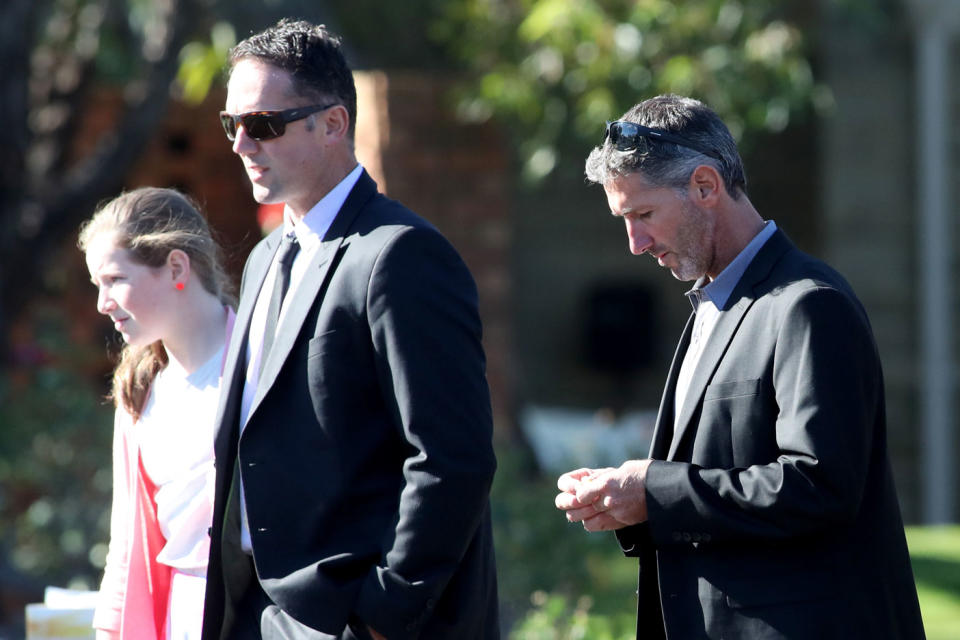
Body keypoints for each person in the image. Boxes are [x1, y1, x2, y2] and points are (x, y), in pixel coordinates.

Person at [554, 95, 926, 639]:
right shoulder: (714, 302)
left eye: (643, 215)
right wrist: (629, 501)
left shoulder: (808, 304)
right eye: (624, 220)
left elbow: (819, 488)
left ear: (706, 187)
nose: (634, 244)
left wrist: (654, 490)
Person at [202, 19, 498, 640]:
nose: (241, 145)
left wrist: (384, 609)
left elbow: (452, 456)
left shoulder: (402, 254)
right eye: (233, 125)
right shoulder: (263, 259)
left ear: (333, 124)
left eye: (262, 125)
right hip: (257, 613)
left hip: (350, 616)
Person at [80, 187, 236, 640]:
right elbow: (127, 546)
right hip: (181, 618)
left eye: (115, 280)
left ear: (175, 267)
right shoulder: (140, 391)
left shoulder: (261, 365)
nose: (102, 303)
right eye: (97, 286)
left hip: (263, 615)